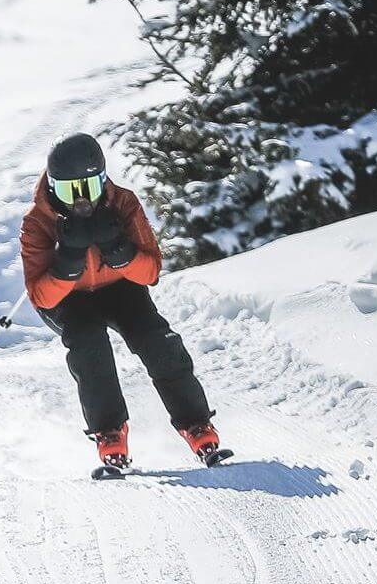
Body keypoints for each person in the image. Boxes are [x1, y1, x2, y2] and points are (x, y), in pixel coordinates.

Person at [20, 133, 228, 473]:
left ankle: (196, 423)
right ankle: (109, 432)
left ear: (104, 180)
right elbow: (41, 296)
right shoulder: (37, 222)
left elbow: (151, 272)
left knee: (156, 339)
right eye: (70, 191)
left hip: (120, 287)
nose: (82, 201)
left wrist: (120, 252)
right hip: (68, 299)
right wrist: (68, 263)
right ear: (53, 187)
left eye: (90, 187)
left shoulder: (123, 203)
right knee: (89, 345)